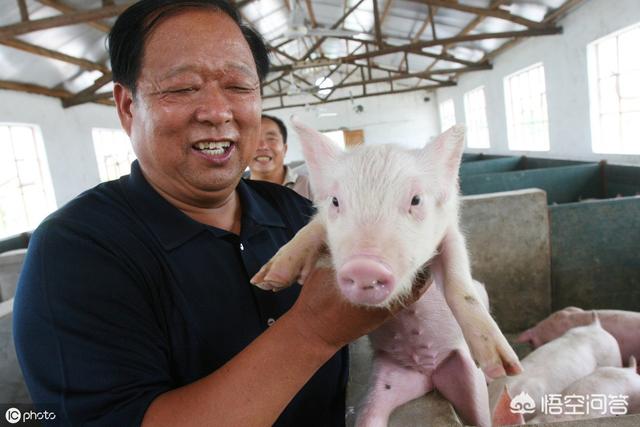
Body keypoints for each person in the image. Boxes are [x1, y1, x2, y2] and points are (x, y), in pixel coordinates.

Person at [12, 1, 425, 426]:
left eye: (239, 87)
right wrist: (314, 331)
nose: (217, 111)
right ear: (128, 106)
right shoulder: (76, 252)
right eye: (183, 88)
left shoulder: (296, 213)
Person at [249, 114, 312, 199]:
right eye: (254, 139)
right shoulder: (233, 195)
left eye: (271, 139)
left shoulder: (311, 187)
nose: (262, 146)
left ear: (285, 149)